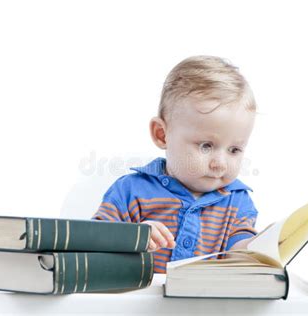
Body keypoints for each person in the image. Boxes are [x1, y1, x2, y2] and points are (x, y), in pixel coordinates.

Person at [92, 55, 258, 273]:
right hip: (136, 303)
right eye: (206, 146)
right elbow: (93, 240)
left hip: (206, 305)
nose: (220, 164)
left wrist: (264, 246)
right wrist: (133, 236)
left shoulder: (238, 201)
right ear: (162, 135)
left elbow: (239, 253)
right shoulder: (130, 191)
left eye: (234, 150)